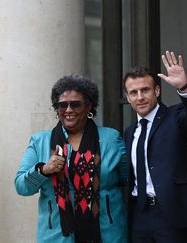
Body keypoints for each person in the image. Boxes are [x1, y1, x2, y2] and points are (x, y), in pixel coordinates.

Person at [14, 74, 128, 243]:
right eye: (62, 105)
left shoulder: (111, 139)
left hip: (106, 234)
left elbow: (126, 179)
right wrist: (43, 170)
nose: (68, 110)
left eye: (75, 104)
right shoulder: (40, 141)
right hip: (57, 236)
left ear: (89, 106)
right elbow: (22, 187)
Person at [123, 51, 187, 243]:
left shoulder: (176, 116)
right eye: (133, 93)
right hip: (138, 215)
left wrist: (184, 88)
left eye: (145, 90)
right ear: (128, 98)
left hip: (172, 214)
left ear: (157, 91)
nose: (140, 97)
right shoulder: (129, 132)